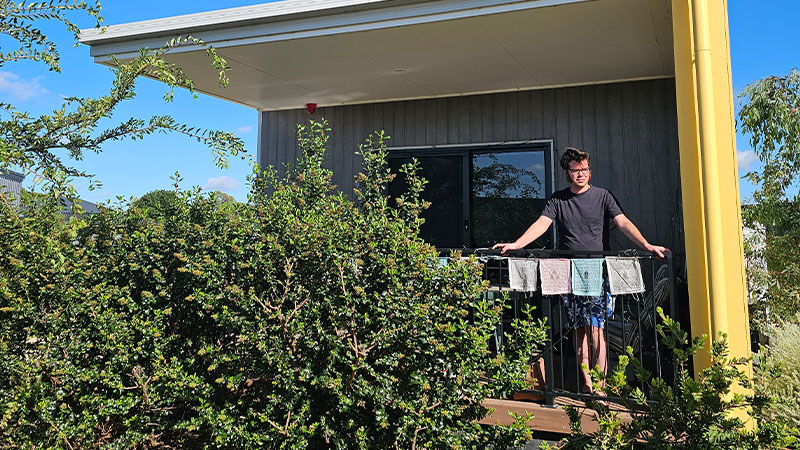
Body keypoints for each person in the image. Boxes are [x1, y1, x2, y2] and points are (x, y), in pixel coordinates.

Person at [493, 147, 667, 394]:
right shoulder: (558, 200)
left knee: (597, 329)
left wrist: (647, 245)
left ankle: (601, 386)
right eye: (576, 170)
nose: (581, 174)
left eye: (585, 169)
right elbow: (541, 224)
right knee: (579, 329)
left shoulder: (603, 196)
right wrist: (517, 244)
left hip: (597, 270)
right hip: (569, 271)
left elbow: (623, 223)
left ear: (590, 170)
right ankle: (586, 384)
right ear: (567, 173)